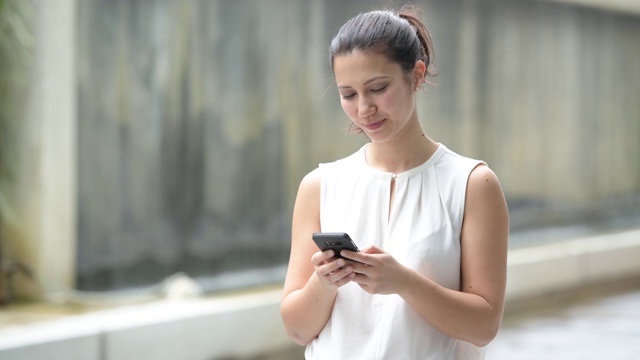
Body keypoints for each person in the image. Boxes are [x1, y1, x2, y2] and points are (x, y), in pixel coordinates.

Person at [280, 4, 509, 359]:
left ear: (416, 76)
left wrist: (403, 282)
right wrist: (324, 283)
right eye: (349, 94)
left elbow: (483, 328)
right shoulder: (320, 185)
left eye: (377, 88)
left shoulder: (472, 184)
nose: (364, 108)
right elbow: (296, 329)